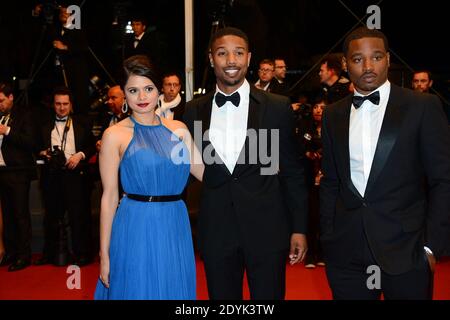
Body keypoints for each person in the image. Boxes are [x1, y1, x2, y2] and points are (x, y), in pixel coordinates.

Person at [320, 27, 450, 300]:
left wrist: (431, 247)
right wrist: (329, 236)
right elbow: (331, 182)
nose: (368, 66)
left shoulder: (422, 106)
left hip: (407, 250)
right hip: (347, 251)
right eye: (357, 59)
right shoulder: (333, 115)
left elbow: (443, 179)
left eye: (376, 57)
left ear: (388, 60)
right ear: (345, 64)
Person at [184, 27, 308, 300]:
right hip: (216, 231)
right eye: (222, 53)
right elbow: (186, 170)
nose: (231, 60)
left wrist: (299, 227)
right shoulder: (193, 109)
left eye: (238, 53)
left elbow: (293, 172)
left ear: (249, 58)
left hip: (267, 230)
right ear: (210, 58)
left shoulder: (277, 106)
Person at [94, 55, 204, 300]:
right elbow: (109, 197)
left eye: (148, 89)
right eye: (133, 90)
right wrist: (105, 253)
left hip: (174, 222)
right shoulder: (114, 135)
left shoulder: (179, 130)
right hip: (134, 224)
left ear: (159, 91)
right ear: (124, 93)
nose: (142, 97)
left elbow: (205, 172)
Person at [34, 87, 95, 267]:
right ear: (53, 105)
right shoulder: (43, 125)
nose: (61, 108)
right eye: (58, 104)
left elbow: (92, 145)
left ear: (71, 105)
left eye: (65, 104)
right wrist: (42, 152)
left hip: (75, 176)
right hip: (52, 176)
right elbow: (34, 145)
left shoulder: (82, 123)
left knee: (78, 217)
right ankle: (50, 254)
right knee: (52, 217)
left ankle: (82, 254)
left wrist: (80, 155)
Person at [0, 82, 37, 272]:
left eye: (1, 100)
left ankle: (24, 255)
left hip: (18, 172)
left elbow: (30, 142)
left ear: (11, 97)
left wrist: (6, 131)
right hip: (1, 172)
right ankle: (11, 252)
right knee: (6, 216)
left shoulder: (24, 115)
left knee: (20, 215)